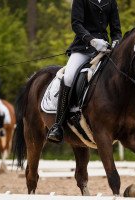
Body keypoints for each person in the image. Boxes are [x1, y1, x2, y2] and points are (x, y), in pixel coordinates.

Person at [47, 0, 122, 142]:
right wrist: (92, 41)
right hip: (83, 48)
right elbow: (76, 24)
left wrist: (116, 41)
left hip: (104, 49)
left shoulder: (111, 1)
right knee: (68, 77)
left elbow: (116, 30)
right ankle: (58, 125)